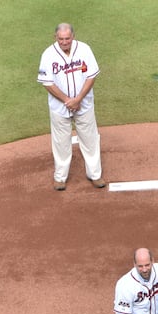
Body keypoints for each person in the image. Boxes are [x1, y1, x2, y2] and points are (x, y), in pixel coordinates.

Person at [37, 23, 105, 191]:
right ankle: (60, 177)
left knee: (90, 139)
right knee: (61, 142)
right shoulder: (48, 54)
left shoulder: (84, 50)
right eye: (61, 39)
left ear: (73, 37)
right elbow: (47, 83)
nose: (64, 42)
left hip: (84, 104)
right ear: (55, 38)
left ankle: (95, 175)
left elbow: (91, 76)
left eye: (67, 38)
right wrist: (68, 100)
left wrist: (79, 99)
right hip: (59, 107)